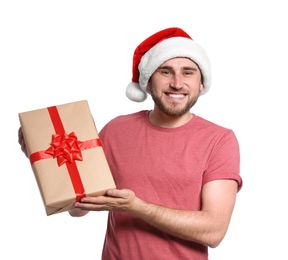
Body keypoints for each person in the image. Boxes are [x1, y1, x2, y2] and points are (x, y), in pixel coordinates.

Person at [18, 27, 242, 259]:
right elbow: (80, 208)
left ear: (201, 83)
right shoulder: (117, 130)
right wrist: (45, 160)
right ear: (147, 81)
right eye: (165, 72)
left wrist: (136, 207)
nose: (177, 83)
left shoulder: (219, 140)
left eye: (188, 73)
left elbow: (213, 231)